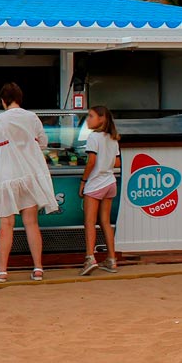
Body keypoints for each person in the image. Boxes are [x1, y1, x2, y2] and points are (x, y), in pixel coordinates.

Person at [0, 82, 58, 283]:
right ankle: (38, 268)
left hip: (7, 174)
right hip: (29, 173)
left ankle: (3, 270)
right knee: (31, 223)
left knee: (6, 224)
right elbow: (43, 141)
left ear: (3, 101)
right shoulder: (32, 117)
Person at [79, 106, 122, 276]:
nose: (88, 119)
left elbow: (91, 162)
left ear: (101, 119)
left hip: (95, 184)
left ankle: (90, 258)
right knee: (105, 222)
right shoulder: (113, 138)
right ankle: (111, 259)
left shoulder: (93, 137)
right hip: (110, 182)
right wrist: (106, 164)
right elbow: (117, 163)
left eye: (91, 116)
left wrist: (83, 181)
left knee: (89, 222)